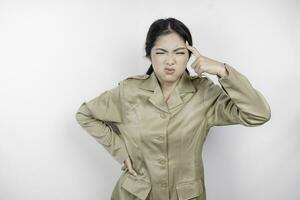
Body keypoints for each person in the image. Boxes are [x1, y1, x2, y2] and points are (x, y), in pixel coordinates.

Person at [75, 17, 271, 200]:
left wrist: (222, 70)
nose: (170, 61)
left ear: (189, 56)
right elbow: (85, 115)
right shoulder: (129, 91)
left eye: (179, 52)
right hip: (135, 194)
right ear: (149, 54)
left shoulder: (203, 92)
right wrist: (120, 151)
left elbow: (258, 114)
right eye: (161, 52)